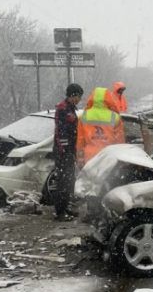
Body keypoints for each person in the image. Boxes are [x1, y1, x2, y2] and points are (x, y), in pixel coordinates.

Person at [53, 83, 83, 221]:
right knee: (63, 181)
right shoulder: (63, 108)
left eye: (80, 97)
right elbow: (61, 132)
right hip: (63, 151)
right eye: (77, 96)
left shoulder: (71, 108)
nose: (79, 99)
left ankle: (66, 207)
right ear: (71, 95)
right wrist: (64, 150)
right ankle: (60, 212)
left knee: (70, 180)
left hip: (70, 150)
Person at [76, 87, 125, 167]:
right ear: (108, 99)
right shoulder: (115, 117)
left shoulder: (84, 116)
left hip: (89, 158)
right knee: (107, 179)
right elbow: (119, 142)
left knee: (90, 179)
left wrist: (80, 159)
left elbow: (80, 141)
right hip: (108, 157)